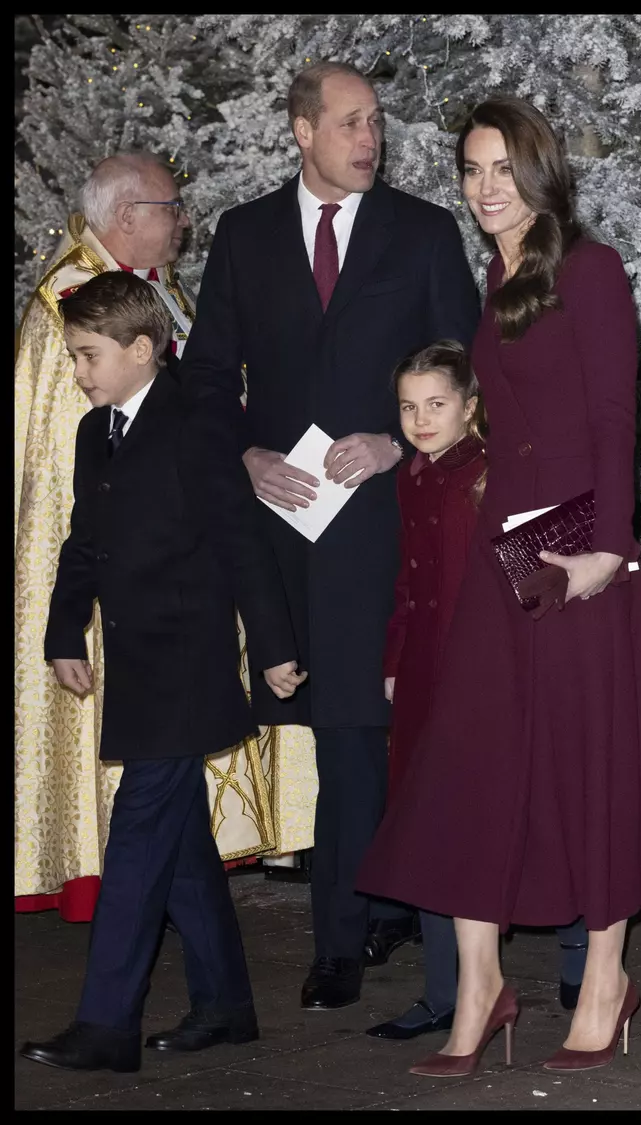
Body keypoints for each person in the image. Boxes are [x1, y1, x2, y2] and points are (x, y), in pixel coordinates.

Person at [357, 95, 641, 1076]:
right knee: (467, 768)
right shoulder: (498, 280)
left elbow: (613, 419)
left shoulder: (591, 270)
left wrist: (605, 553)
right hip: (510, 554)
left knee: (590, 767)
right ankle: (481, 985)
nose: (485, 189)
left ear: (539, 174)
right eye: (471, 170)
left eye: (502, 169)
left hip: (576, 558)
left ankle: (606, 982)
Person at [178, 60, 481, 1011]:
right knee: (331, 729)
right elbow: (203, 382)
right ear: (302, 131)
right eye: (350, 122)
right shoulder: (243, 237)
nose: (370, 138)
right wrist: (246, 459)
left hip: (392, 528)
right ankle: (379, 901)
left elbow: (471, 370)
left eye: (377, 123)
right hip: (282, 533)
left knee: (358, 728)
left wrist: (398, 441)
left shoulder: (425, 233)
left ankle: (343, 938)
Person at [14, 152, 317, 923]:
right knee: (157, 787)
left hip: (188, 572)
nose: (183, 220)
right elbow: (65, 479)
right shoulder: (69, 309)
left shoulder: (159, 295)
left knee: (169, 792)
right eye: (171, 206)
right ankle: (115, 974)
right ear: (126, 218)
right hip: (135, 579)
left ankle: (206, 996)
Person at [19, 271, 297, 1073]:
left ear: (144, 349)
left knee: (139, 835)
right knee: (177, 846)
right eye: (73, 357)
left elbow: (242, 538)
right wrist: (65, 626)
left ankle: (107, 1023)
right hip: (135, 659)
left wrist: (276, 647)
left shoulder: (197, 420)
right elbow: (85, 540)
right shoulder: (93, 430)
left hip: (188, 659)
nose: (77, 372)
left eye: (88, 356)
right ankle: (226, 1003)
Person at [366, 341, 590, 1043]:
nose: (421, 419)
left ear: (471, 405)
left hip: (498, 671)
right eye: (408, 406)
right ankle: (447, 989)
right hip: (433, 671)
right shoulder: (411, 476)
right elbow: (409, 580)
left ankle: (584, 963)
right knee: (437, 822)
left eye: (437, 404)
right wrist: (397, 659)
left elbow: (543, 572)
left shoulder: (497, 473)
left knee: (530, 806)